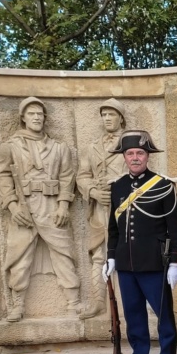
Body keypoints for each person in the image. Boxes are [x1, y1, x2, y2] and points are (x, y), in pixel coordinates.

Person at [103, 131, 177, 354]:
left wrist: (174, 262)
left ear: (147, 156)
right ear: (124, 157)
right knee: (134, 317)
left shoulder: (162, 185)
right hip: (127, 266)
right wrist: (111, 258)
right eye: (130, 154)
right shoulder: (117, 187)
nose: (135, 158)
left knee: (165, 318)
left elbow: (175, 228)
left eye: (140, 153)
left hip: (154, 264)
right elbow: (113, 228)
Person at [0, 96, 83, 321]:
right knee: (19, 255)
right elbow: (3, 176)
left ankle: (74, 301)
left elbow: (67, 177)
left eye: (39, 114)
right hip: (23, 208)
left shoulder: (58, 148)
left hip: (51, 205)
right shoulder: (10, 146)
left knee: (64, 252)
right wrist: (13, 206)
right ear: (23, 118)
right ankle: (18, 304)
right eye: (31, 114)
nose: (36, 117)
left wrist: (64, 205)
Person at [77, 98, 128, 317]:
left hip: (125, 207)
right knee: (99, 254)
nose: (107, 118)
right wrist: (94, 192)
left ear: (121, 118)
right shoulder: (92, 147)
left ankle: (127, 303)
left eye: (112, 114)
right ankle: (98, 300)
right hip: (100, 207)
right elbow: (82, 175)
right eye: (104, 115)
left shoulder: (131, 143)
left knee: (127, 251)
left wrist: (117, 190)